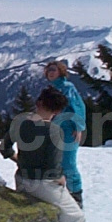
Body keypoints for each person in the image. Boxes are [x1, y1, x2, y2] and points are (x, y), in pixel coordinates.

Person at [0, 86, 110, 222]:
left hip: (22, 180)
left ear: (38, 102)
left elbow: (4, 148)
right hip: (44, 184)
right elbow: (54, 165)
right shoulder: (54, 130)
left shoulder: (19, 122)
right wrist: (60, 178)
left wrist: (19, 160)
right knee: (76, 219)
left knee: (64, 215)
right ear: (57, 112)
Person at [44, 61, 86, 208]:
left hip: (68, 130)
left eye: (54, 69)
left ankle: (76, 196)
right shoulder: (52, 88)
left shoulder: (67, 87)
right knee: (56, 162)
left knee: (68, 164)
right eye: (48, 70)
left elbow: (78, 107)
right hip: (55, 130)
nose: (50, 72)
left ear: (61, 71)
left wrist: (78, 126)